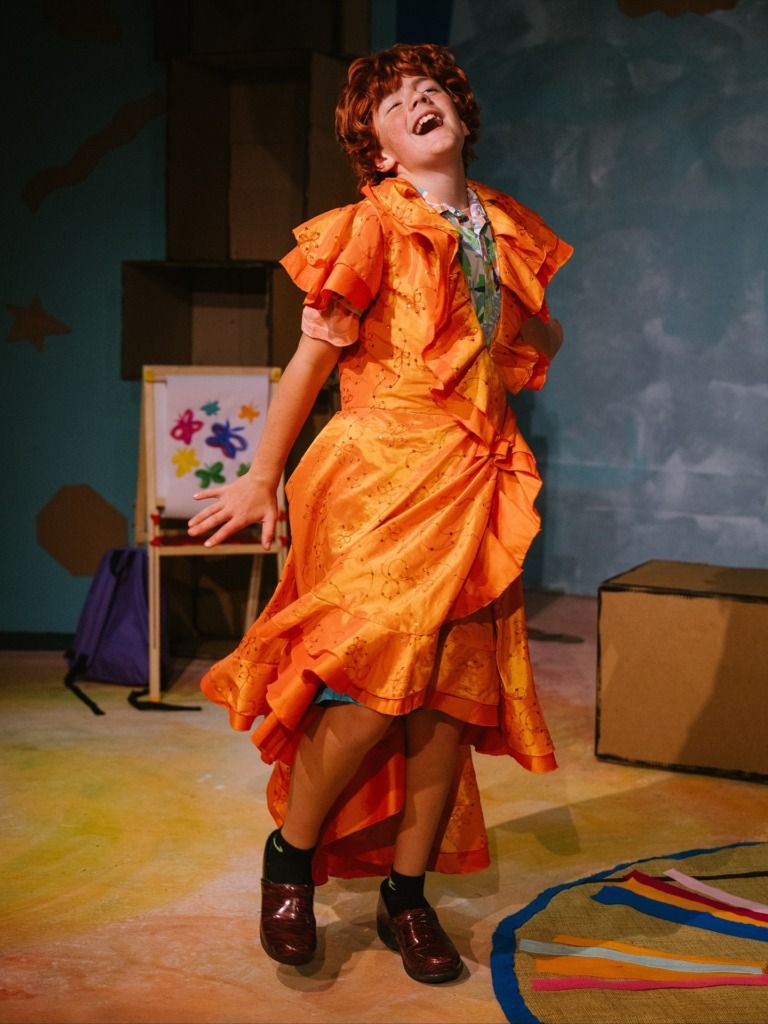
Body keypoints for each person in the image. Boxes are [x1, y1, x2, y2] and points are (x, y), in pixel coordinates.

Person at [188, 42, 572, 985]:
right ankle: (291, 857)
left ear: (460, 114)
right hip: (378, 483)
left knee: (446, 704)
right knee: (364, 692)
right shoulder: (368, 227)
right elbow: (312, 360)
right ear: (380, 151)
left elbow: (523, 345)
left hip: (473, 479)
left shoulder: (504, 227)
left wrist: (514, 343)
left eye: (429, 90)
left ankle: (407, 894)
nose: (417, 104)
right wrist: (262, 474)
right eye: (393, 106)